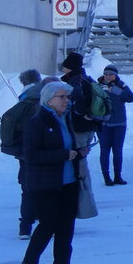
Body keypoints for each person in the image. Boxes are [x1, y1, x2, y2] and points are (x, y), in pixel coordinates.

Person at [20, 81, 87, 264]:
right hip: (45, 183)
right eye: (61, 97)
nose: (66, 101)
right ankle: (29, 263)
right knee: (48, 224)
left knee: (66, 225)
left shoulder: (65, 119)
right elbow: (31, 155)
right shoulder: (36, 122)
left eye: (67, 97)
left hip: (68, 181)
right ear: (48, 100)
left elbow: (66, 147)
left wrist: (78, 153)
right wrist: (63, 154)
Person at [8, 69, 44, 238]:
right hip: (44, 148)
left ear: (24, 82)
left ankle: (24, 227)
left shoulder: (24, 97)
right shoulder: (46, 94)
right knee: (46, 187)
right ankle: (46, 222)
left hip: (24, 149)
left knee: (27, 188)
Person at [58, 51, 98, 195]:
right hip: (89, 127)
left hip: (78, 128)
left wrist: (81, 113)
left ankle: (83, 198)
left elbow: (78, 102)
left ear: (70, 67)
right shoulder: (87, 79)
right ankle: (83, 195)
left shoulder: (74, 82)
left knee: (79, 163)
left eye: (65, 66)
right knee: (81, 160)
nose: (62, 68)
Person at [98, 64, 133, 185]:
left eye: (111, 74)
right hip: (103, 124)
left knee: (117, 151)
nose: (108, 77)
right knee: (104, 150)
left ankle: (118, 176)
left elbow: (131, 98)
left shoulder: (121, 85)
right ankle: (106, 177)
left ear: (116, 75)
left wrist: (115, 90)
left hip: (119, 123)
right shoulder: (98, 86)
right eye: (106, 74)